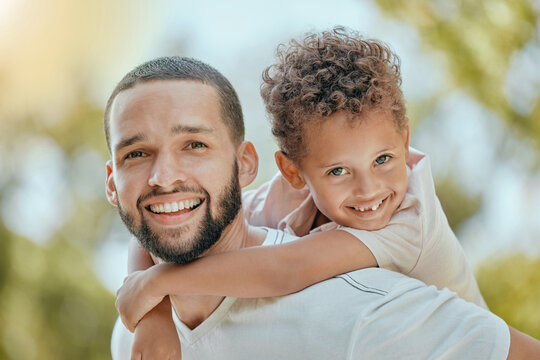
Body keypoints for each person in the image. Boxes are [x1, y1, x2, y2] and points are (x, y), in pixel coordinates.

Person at [105, 56, 540, 359]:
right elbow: (157, 223)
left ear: (244, 166)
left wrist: (156, 284)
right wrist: (153, 305)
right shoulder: (133, 336)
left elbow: (285, 271)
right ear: (112, 183)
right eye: (136, 154)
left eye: (194, 145)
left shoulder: (364, 301)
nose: (164, 177)